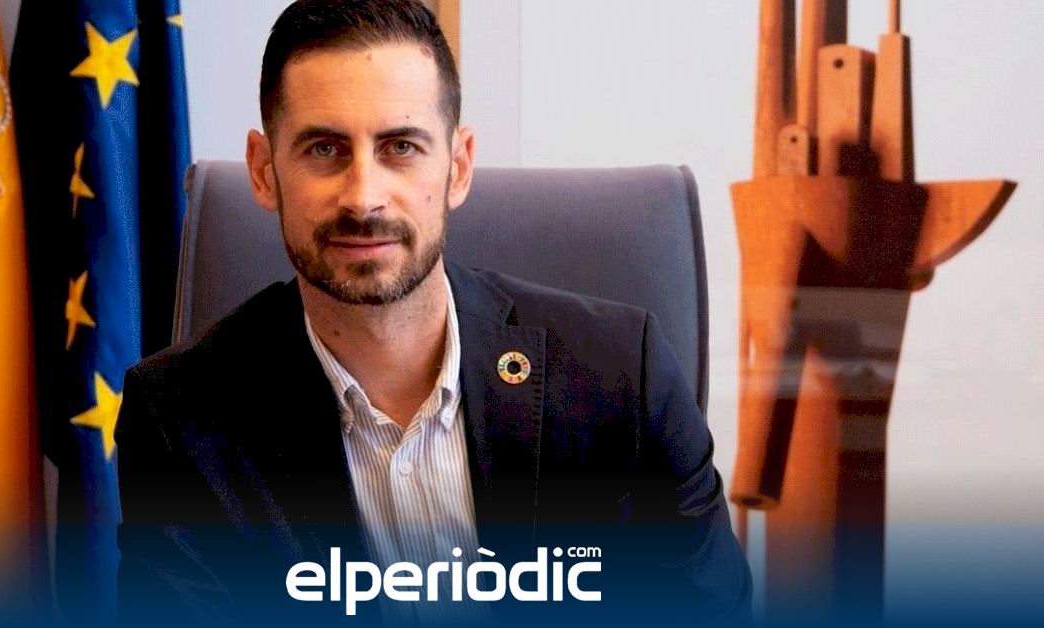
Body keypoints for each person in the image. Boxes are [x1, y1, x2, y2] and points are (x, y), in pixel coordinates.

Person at [116, 0, 750, 624]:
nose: (363, 197)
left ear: (458, 167)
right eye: (324, 150)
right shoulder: (178, 419)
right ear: (263, 171)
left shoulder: (621, 375)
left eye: (400, 147)